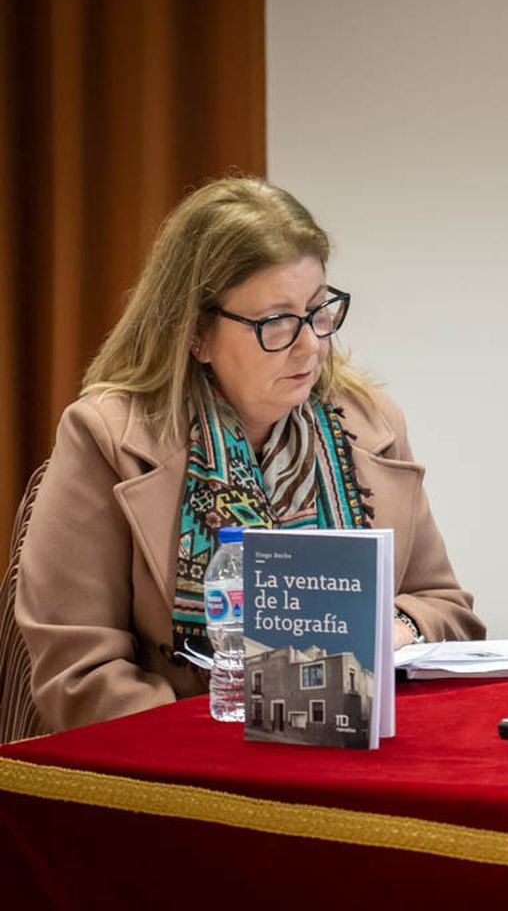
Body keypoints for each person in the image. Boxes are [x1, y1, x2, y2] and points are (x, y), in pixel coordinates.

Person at [17, 178, 484, 732]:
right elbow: (78, 675)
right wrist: (232, 741)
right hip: (182, 773)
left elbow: (447, 606)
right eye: (278, 322)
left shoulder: (369, 422)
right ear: (196, 334)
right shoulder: (106, 437)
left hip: (354, 752)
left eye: (318, 311)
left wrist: (393, 626)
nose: (310, 344)